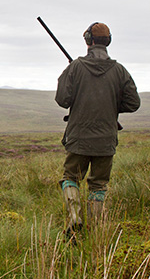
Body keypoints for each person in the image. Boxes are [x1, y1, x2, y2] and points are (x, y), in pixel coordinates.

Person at [55, 22, 140, 238]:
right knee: (99, 185)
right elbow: (133, 103)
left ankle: (75, 218)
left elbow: (62, 100)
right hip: (106, 139)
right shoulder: (120, 71)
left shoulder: (75, 68)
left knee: (71, 177)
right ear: (107, 41)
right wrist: (109, 105)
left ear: (88, 41)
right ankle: (95, 231)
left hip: (78, 137)